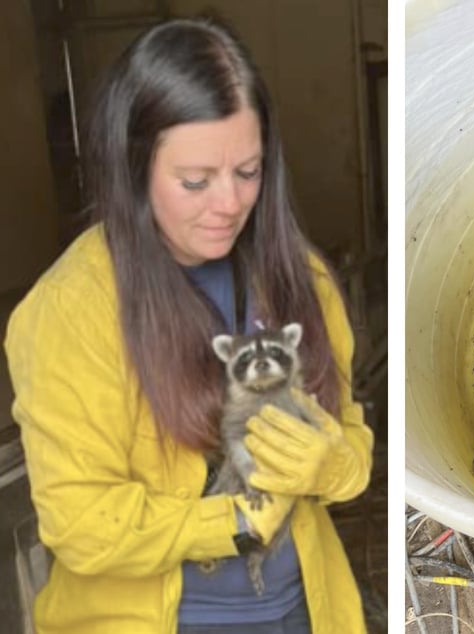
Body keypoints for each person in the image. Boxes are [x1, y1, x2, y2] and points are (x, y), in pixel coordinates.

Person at [4, 18, 373, 633]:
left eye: (248, 172)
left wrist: (333, 464)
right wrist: (232, 522)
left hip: (304, 610)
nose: (229, 203)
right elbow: (79, 524)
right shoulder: (70, 311)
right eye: (195, 181)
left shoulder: (297, 277)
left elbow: (353, 435)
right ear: (135, 167)